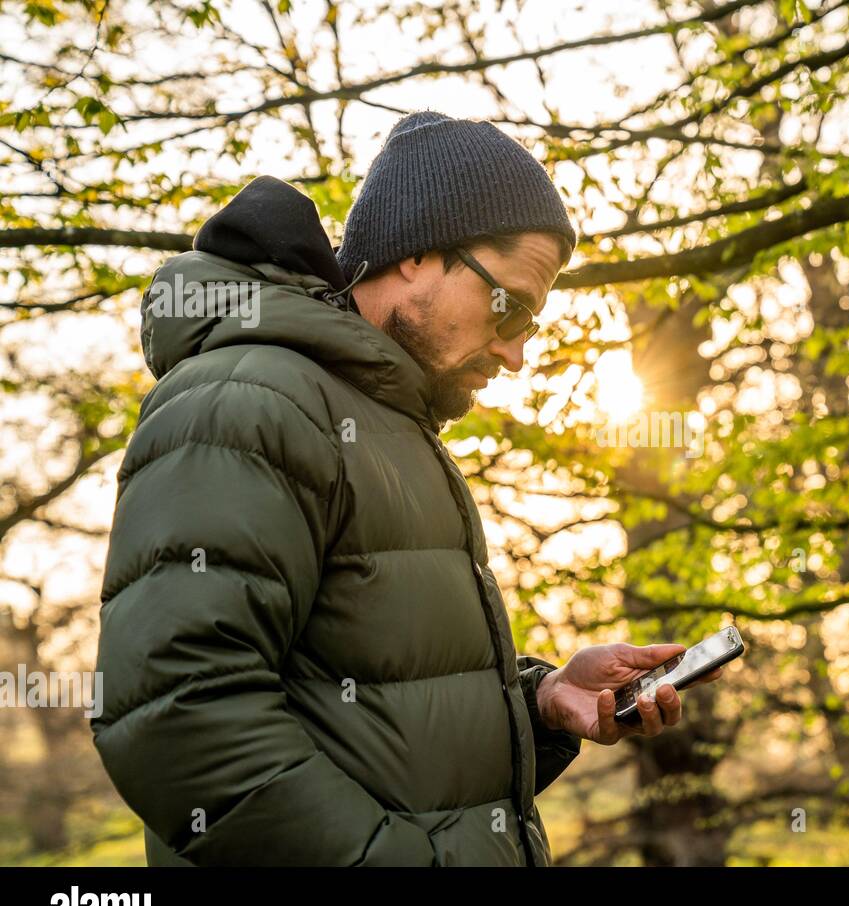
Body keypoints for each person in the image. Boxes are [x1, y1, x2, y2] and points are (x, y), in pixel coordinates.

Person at [90, 111, 721, 866]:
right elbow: (179, 721)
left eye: (533, 323)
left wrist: (542, 704)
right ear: (416, 254)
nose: (518, 352)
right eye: (509, 305)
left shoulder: (387, 425)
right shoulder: (246, 400)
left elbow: (373, 714)